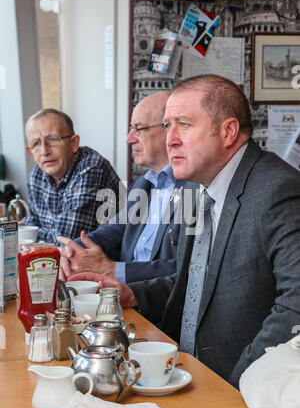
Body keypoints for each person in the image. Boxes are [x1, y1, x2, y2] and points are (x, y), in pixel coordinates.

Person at [69, 74, 300, 389]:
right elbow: (193, 283)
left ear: (228, 131)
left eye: (184, 125)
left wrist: (243, 382)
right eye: (167, 126)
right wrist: (134, 293)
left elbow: (297, 301)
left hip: (238, 387)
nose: (170, 139)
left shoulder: (278, 189)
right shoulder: (198, 185)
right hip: (184, 373)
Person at [58, 91, 185, 283]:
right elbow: (111, 232)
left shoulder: (196, 187)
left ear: (168, 129)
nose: (129, 139)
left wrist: (113, 270)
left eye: (139, 129)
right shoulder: (143, 185)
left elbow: (187, 268)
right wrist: (68, 252)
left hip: (158, 307)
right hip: (121, 299)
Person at [23, 108, 122, 244]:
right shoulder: (36, 176)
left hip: (107, 261)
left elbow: (67, 240)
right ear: (31, 152)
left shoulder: (91, 167)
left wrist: (34, 231)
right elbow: (31, 224)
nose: (45, 151)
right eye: (36, 143)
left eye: (52, 139)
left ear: (74, 143)